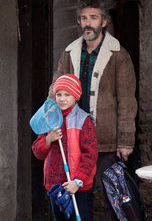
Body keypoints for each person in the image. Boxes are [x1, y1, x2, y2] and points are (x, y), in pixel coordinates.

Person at [48, 0, 137, 220]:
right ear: (79, 21)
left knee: (115, 196)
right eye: (84, 18)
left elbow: (127, 99)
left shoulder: (118, 54)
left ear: (104, 22)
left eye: (94, 18)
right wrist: (49, 123)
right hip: (74, 135)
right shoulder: (69, 53)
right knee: (79, 193)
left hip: (106, 138)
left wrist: (126, 140)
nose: (88, 23)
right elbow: (55, 89)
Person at [32, 74, 98, 221]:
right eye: (59, 94)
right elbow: (37, 151)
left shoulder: (84, 120)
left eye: (67, 95)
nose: (62, 99)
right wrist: (48, 140)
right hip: (55, 184)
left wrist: (78, 181)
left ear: (76, 96)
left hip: (76, 186)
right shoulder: (49, 119)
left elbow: (90, 155)